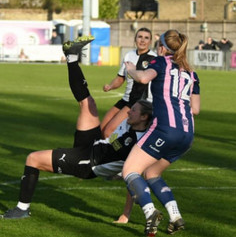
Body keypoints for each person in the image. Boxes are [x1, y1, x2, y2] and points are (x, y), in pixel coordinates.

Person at [0, 36, 153, 219]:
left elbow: (137, 174)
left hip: (87, 162)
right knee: (88, 103)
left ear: (144, 118)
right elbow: (137, 96)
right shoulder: (133, 125)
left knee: (32, 159)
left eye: (133, 111)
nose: (128, 113)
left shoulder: (140, 143)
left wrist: (132, 210)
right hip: (94, 143)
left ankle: (22, 209)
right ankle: (72, 57)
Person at [122, 29, 198, 236]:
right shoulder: (192, 73)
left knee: (129, 170)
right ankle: (175, 215)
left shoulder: (161, 62)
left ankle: (150, 212)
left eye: (158, 43)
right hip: (187, 134)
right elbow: (196, 108)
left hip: (165, 129)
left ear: (163, 47)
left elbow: (144, 78)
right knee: (152, 172)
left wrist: (130, 69)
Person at [101, 27, 157, 138]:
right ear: (135, 39)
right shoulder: (129, 55)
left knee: (109, 132)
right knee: (102, 128)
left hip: (138, 101)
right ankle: (109, 153)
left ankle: (117, 155)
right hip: (126, 99)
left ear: (150, 42)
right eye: (140, 37)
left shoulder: (154, 59)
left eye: (146, 38)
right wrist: (110, 86)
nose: (142, 40)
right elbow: (120, 78)